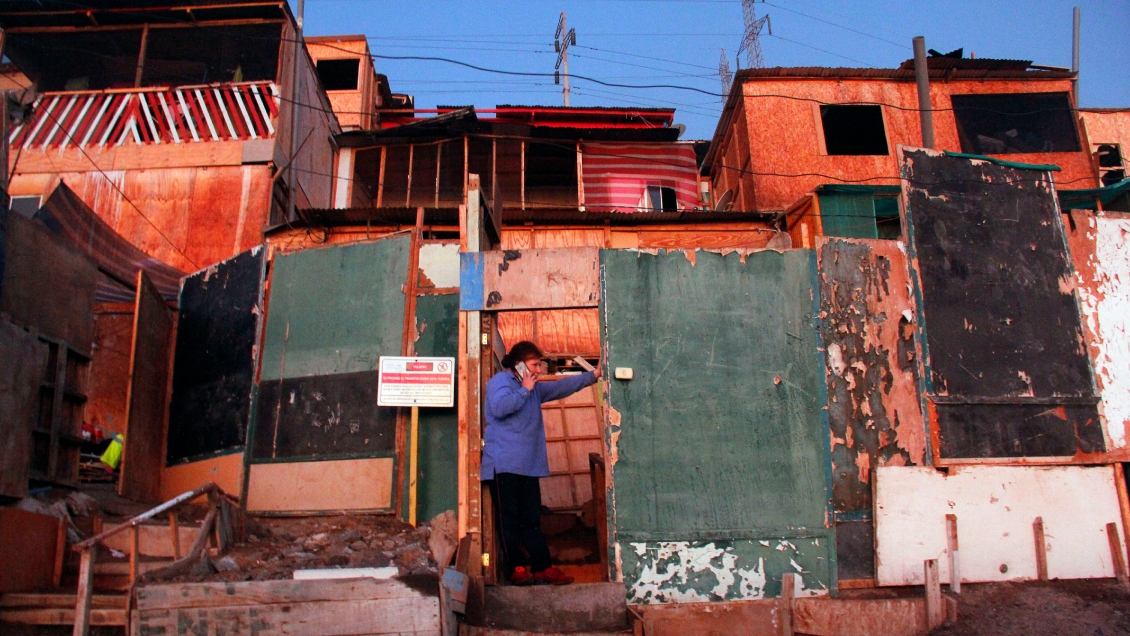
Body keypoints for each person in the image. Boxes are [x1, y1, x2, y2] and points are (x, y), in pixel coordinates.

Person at [482, 341, 601, 586]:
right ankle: (516, 568)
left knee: (532, 519)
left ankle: (541, 567)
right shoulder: (500, 382)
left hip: (527, 465)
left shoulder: (533, 388)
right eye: (535, 365)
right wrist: (524, 390)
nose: (538, 370)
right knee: (510, 520)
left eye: (539, 365)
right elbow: (500, 407)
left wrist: (593, 376)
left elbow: (561, 387)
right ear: (519, 364)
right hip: (503, 464)